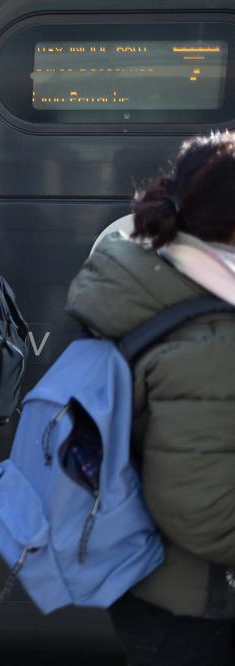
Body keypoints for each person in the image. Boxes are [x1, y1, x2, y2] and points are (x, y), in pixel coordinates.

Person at [66, 132, 235, 665]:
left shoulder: (152, 283)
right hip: (197, 611)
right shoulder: (209, 336)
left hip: (151, 590)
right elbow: (202, 512)